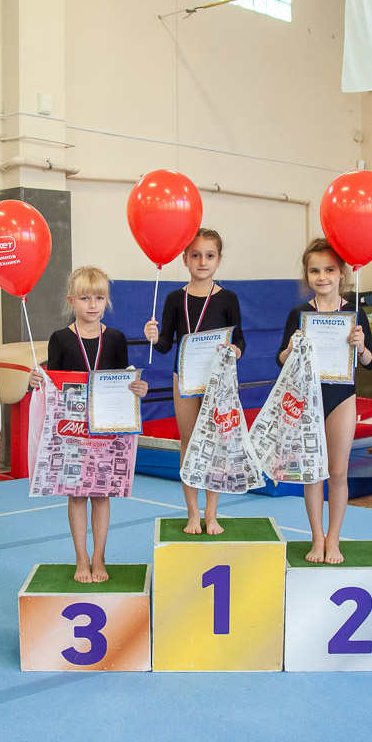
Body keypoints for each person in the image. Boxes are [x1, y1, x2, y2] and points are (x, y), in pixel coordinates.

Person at [28, 267, 149, 583]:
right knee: (77, 495)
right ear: (71, 301)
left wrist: (139, 388)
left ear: (107, 301)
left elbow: (123, 382)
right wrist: (37, 380)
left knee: (101, 494)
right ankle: (81, 556)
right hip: (73, 430)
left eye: (99, 298)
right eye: (84, 298)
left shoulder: (116, 338)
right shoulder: (60, 339)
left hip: (106, 429)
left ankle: (99, 556)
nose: (92, 305)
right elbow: (53, 386)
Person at [277, 239, 372, 564]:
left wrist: (361, 346)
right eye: (315, 271)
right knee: (312, 473)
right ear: (307, 275)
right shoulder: (299, 314)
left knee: (337, 472)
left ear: (341, 274)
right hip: (307, 400)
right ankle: (317, 537)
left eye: (329, 270)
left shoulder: (354, 313)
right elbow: (280, 360)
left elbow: (371, 362)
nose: (322, 277)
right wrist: (291, 348)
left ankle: (334, 538)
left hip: (342, 398)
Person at [143, 228, 245, 534]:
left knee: (214, 443)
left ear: (219, 260)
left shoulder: (228, 298)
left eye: (209, 256)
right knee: (188, 443)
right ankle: (192, 512)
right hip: (185, 377)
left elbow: (239, 339)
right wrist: (154, 337)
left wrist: (235, 351)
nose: (202, 261)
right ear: (185, 259)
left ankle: (211, 513)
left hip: (217, 381)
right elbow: (165, 345)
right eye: (196, 255)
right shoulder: (176, 298)